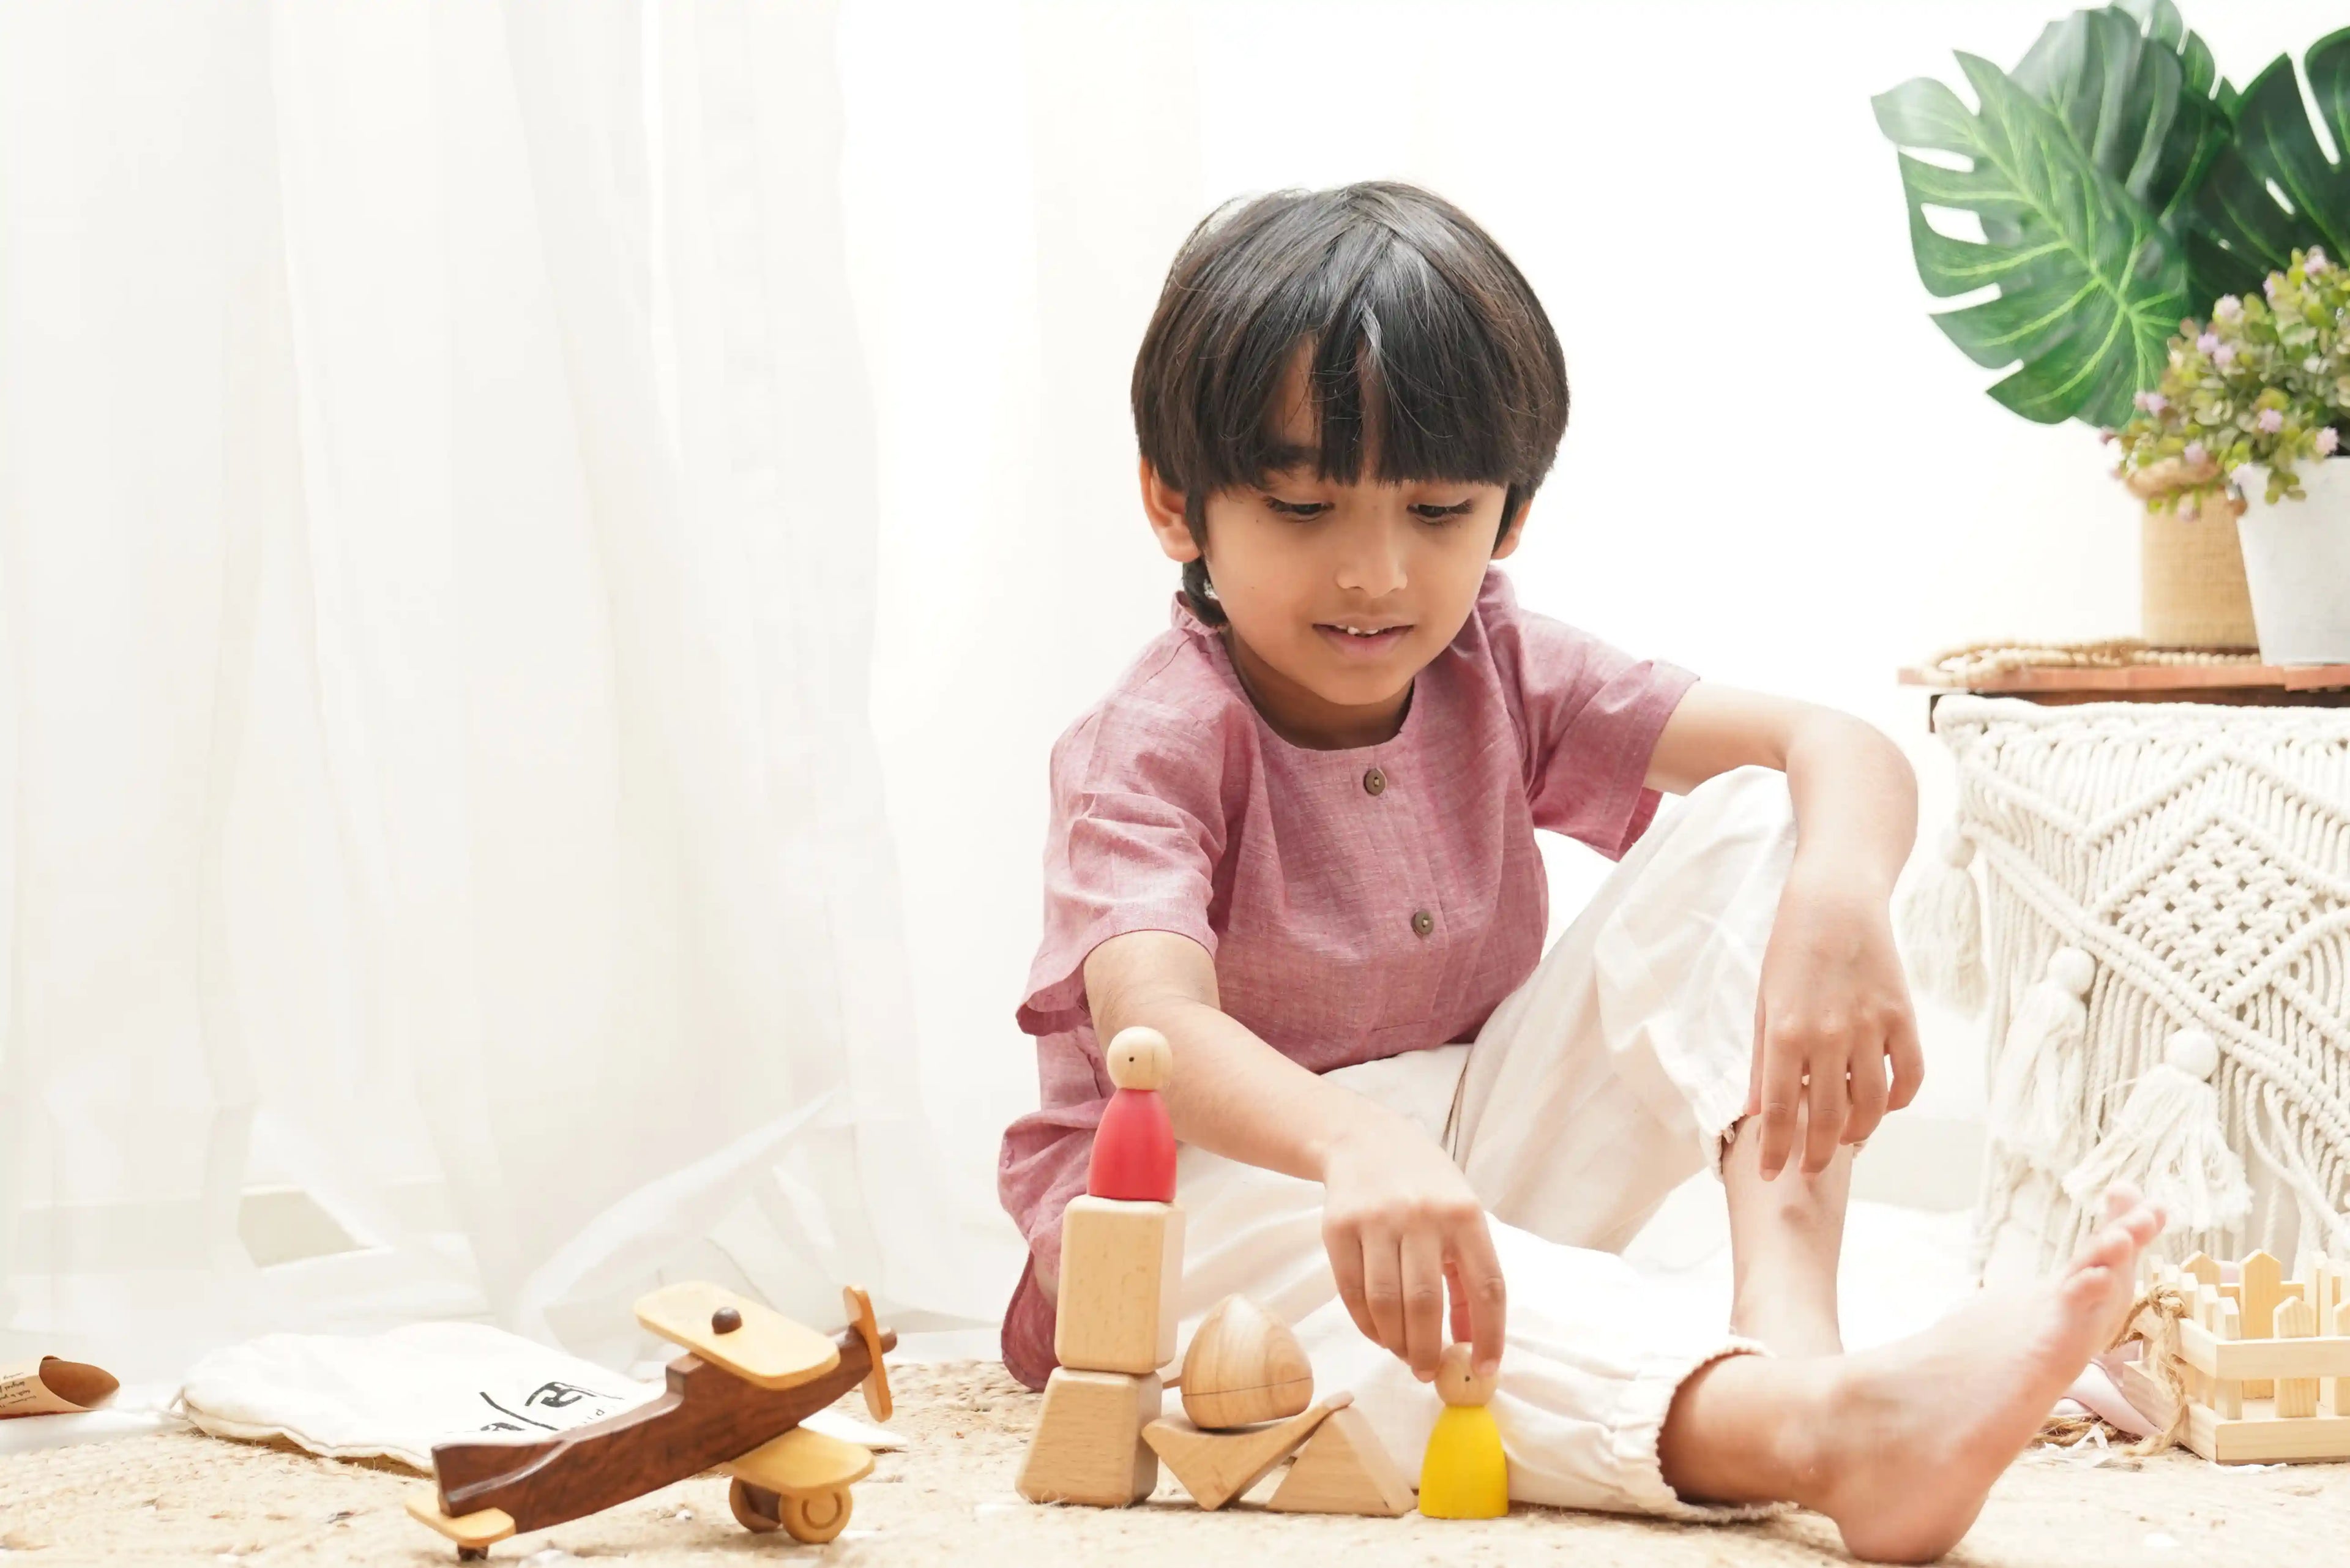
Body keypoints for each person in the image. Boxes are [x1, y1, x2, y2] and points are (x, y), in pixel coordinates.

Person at [995, 181, 2160, 1561]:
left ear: (1512, 515)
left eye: (1436, 510)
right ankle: (1810, 1436)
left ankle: (1792, 1339)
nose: (1375, 572)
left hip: (1461, 1157)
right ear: (1176, 506)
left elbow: (1831, 747)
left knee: (1760, 812)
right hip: (1211, 1203)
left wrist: (1838, 908)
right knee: (1309, 1317)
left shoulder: (1498, 660)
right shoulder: (1150, 744)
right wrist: (1346, 1142)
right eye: (1304, 505)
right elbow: (1154, 1029)